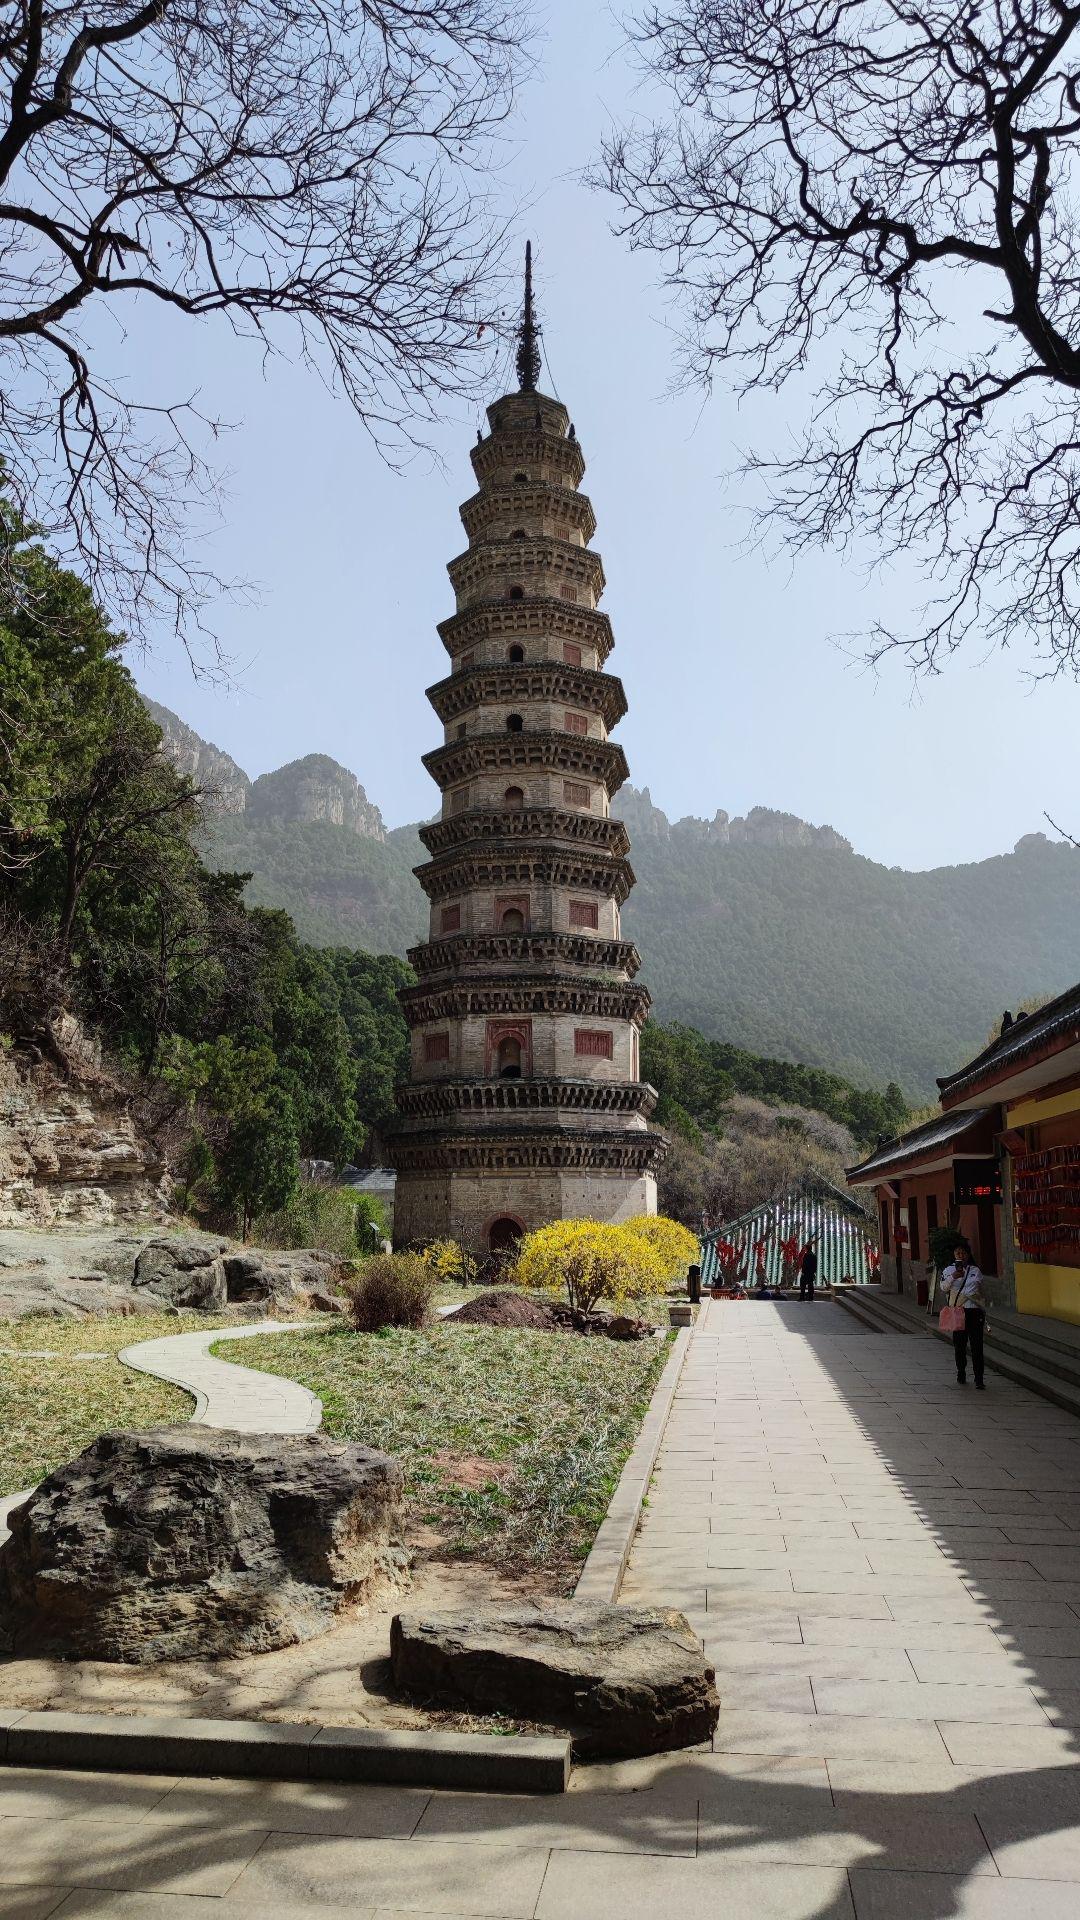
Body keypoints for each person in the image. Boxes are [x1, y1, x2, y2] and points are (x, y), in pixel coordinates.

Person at [942, 1244, 986, 1388]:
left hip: (974, 1311)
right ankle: (961, 1372)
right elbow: (943, 1288)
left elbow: (978, 1288)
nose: (960, 1255)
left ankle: (979, 1378)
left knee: (977, 1345)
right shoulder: (948, 1270)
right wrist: (953, 1277)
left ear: (968, 1255)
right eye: (957, 1253)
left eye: (963, 1253)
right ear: (954, 1255)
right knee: (959, 1345)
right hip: (958, 1312)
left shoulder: (975, 1270)